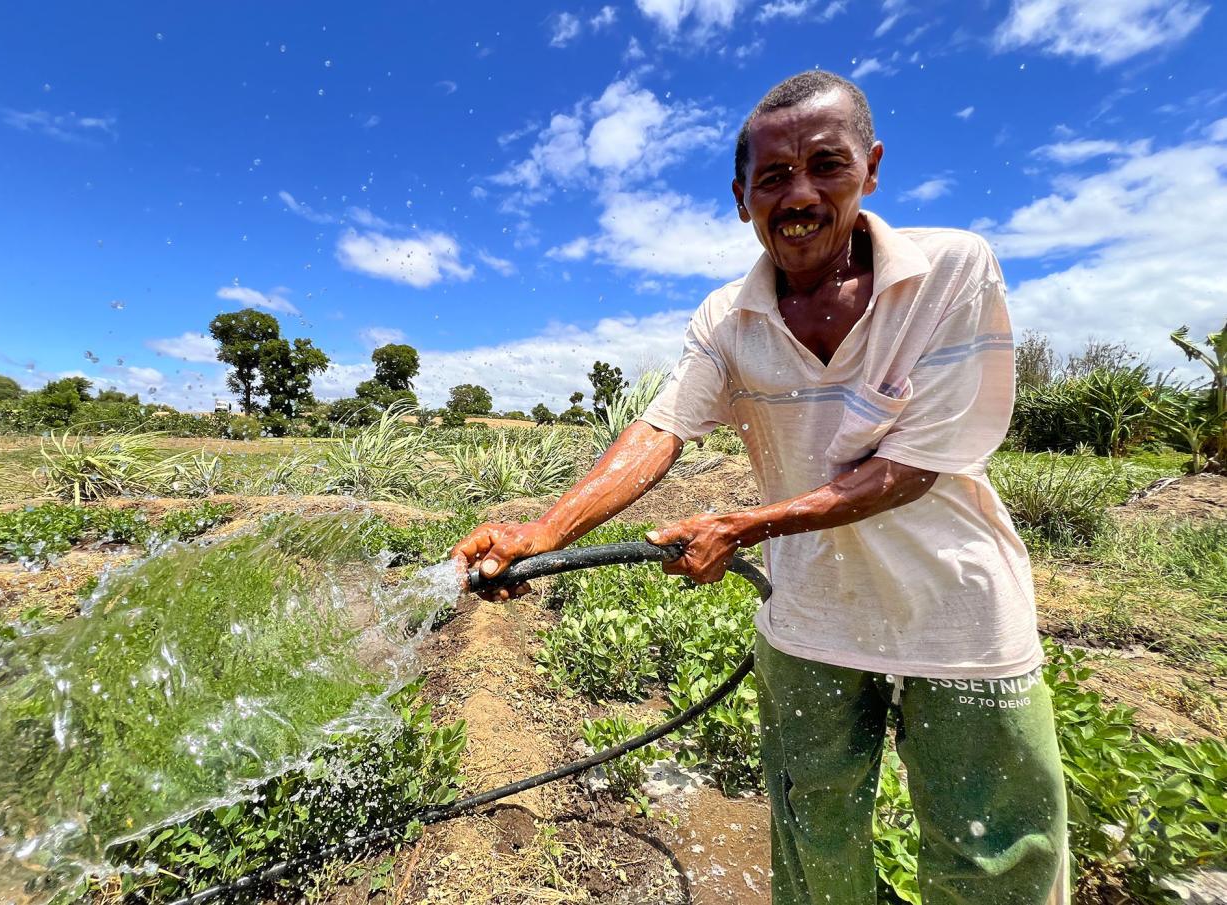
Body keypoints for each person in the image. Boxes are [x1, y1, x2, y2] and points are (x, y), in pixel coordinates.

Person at [451, 70, 1068, 905]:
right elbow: (661, 428)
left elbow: (914, 467)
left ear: (872, 167)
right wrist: (543, 532)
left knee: (991, 861)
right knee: (814, 842)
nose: (800, 194)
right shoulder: (726, 317)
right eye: (773, 177)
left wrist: (748, 525)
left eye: (826, 164)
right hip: (810, 619)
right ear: (742, 198)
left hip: (958, 617)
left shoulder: (952, 271)